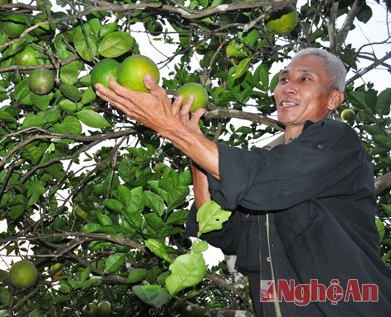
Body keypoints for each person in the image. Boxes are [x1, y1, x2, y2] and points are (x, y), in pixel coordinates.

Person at [94, 48, 391, 316]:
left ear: (334, 98)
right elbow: (218, 229)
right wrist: (190, 142)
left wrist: (170, 127)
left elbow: (267, 180)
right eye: (284, 79)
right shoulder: (269, 164)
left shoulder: (337, 140)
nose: (288, 87)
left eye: (305, 80)